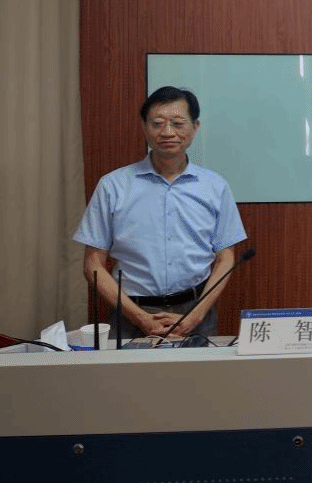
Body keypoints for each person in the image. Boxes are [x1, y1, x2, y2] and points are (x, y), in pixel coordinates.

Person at [73, 86, 248, 340]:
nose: (167, 132)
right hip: (131, 313)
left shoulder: (215, 187)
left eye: (178, 123)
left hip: (196, 312)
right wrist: (140, 318)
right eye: (157, 123)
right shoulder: (113, 186)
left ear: (195, 127)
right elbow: (93, 265)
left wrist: (196, 315)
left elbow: (225, 259)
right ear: (144, 128)